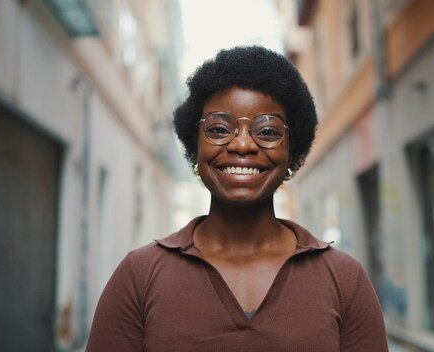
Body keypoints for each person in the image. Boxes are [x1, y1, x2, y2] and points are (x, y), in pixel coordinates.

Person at [86, 46, 388, 352]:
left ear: (291, 153)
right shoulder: (139, 276)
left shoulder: (344, 279)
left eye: (267, 132)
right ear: (196, 146)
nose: (242, 145)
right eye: (219, 129)